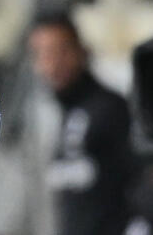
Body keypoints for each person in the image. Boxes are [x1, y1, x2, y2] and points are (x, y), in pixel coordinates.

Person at [27, 12, 135, 235]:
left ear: (81, 51)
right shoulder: (56, 115)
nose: (51, 64)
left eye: (59, 51)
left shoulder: (111, 109)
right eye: (42, 54)